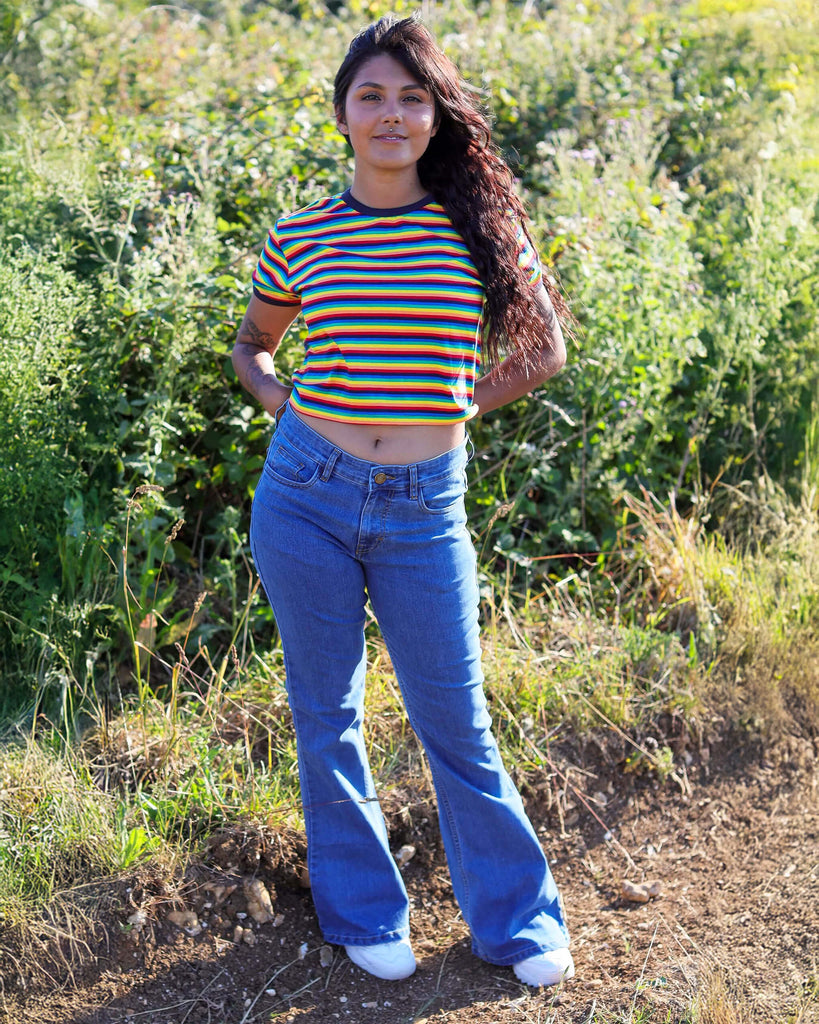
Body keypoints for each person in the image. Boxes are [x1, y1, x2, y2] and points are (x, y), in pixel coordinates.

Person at [231, 15, 574, 988]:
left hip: (427, 507)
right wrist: (281, 396)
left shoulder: (478, 230)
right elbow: (250, 344)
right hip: (305, 496)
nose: (390, 113)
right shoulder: (301, 236)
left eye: (410, 96)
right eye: (371, 95)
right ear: (342, 112)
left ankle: (515, 920)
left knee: (455, 721)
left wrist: (464, 400)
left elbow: (543, 349)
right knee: (325, 711)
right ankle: (362, 910)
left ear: (435, 115)